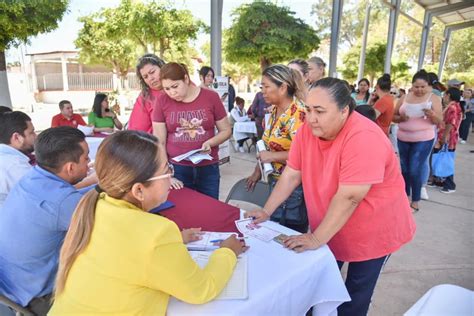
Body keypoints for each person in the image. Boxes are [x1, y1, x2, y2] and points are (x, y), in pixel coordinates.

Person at [246, 78, 416, 316]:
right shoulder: (308, 130)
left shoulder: (364, 137)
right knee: (318, 286)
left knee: (354, 295)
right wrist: (267, 211)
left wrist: (316, 239)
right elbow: (292, 174)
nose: (311, 118)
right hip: (331, 224)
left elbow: (350, 197)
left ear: (344, 110)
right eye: (308, 109)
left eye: (319, 111)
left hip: (373, 229)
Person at [49, 131, 246, 315]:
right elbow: (201, 290)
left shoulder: (95, 206)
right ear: (139, 191)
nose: (171, 176)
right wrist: (227, 251)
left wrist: (176, 239)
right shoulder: (157, 232)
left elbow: (124, 251)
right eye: (167, 169)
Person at [0, 127, 93, 315]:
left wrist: (99, 186)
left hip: (11, 283)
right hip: (39, 296)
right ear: (70, 167)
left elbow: (71, 199)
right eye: (86, 158)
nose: (89, 163)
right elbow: (105, 224)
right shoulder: (62, 203)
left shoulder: (31, 177)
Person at [152, 63, 231, 200]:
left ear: (186, 79)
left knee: (209, 209)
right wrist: (165, 173)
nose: (172, 93)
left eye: (175, 86)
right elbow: (159, 140)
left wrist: (210, 143)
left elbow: (226, 130)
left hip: (208, 167)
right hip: (177, 168)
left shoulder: (211, 97)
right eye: (167, 89)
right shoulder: (162, 101)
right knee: (182, 212)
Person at [245, 65, 308, 233]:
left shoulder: (298, 115)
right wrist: (257, 171)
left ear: (282, 87)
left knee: (288, 232)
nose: (262, 91)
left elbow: (305, 156)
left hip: (294, 188)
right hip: (276, 181)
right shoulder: (274, 110)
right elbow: (266, 144)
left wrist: (272, 157)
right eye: (261, 87)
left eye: (266, 86)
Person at [393, 69, 442, 212]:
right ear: (412, 85)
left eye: (422, 87)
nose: (419, 90)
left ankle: (415, 201)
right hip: (403, 138)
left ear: (427, 86)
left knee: (414, 168)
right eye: (416, 86)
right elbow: (393, 117)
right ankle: (405, 196)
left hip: (423, 139)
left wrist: (432, 114)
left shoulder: (433, 98)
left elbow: (439, 120)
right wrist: (402, 118)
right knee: (405, 168)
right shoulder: (404, 97)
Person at [0, 111, 36, 207]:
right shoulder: (15, 165)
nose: (35, 136)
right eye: (31, 132)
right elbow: (45, 195)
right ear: (17, 137)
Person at [432, 88, 463, 193]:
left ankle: (449, 184)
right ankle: (439, 180)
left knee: (446, 160)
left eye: (444, 95)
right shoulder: (454, 106)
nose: (443, 97)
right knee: (441, 157)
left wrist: (445, 137)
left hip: (448, 137)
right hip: (448, 136)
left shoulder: (452, 107)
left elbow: (451, 123)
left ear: (448, 95)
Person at [128, 53, 166, 134]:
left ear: (162, 67)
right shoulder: (145, 98)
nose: (151, 78)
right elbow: (136, 132)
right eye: (145, 77)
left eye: (152, 72)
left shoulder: (180, 84)